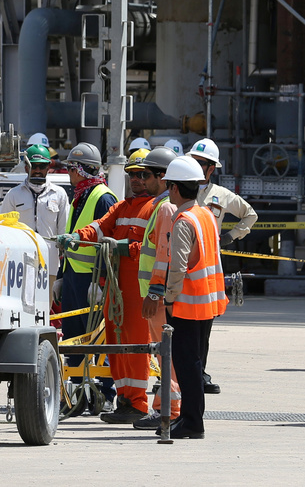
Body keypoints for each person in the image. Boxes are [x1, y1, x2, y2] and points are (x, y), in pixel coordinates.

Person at [68, 149, 157, 424]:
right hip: (116, 287)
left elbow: (154, 247)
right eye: (132, 174)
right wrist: (75, 237)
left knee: (137, 345)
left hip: (138, 287)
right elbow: (98, 227)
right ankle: (125, 400)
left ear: (154, 176)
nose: (136, 179)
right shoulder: (122, 207)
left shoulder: (157, 208)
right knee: (117, 344)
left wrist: (125, 248)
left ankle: (139, 403)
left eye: (142, 174)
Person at [141, 156, 227, 439]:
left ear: (175, 188)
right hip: (208, 303)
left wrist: (168, 298)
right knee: (195, 364)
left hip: (187, 305)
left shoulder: (183, 221)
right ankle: (193, 420)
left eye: (169, 186)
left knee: (186, 364)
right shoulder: (206, 215)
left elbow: (177, 267)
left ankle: (192, 422)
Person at [52, 142, 117, 408]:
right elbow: (71, 242)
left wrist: (100, 283)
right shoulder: (79, 196)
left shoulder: (103, 198)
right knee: (73, 339)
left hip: (91, 281)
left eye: (72, 168)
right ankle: (78, 395)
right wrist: (61, 276)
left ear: (83, 170)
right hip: (74, 279)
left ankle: (106, 394)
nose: (69, 173)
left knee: (99, 340)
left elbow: (108, 245)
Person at [190, 137, 256, 394]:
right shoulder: (177, 189)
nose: (197, 166)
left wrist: (230, 236)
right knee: (178, 324)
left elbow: (250, 215)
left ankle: (199, 373)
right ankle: (172, 374)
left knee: (205, 323)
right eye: (194, 161)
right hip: (182, 260)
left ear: (211, 168)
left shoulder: (221, 195)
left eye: (202, 163)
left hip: (208, 266)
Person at [132, 146, 182, 429]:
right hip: (161, 296)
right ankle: (170, 408)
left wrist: (154, 293)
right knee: (166, 353)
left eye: (146, 175)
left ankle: (167, 410)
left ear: (162, 177)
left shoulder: (165, 208)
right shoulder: (165, 206)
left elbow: (163, 255)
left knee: (166, 353)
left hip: (158, 298)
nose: (142, 180)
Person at [0, 144, 68, 286]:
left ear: (48, 167)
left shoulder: (59, 194)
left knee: (48, 300)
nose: (37, 171)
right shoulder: (13, 195)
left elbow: (64, 231)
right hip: (20, 265)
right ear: (26, 167)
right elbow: (3, 230)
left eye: (41, 166)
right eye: (33, 166)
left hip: (50, 265)